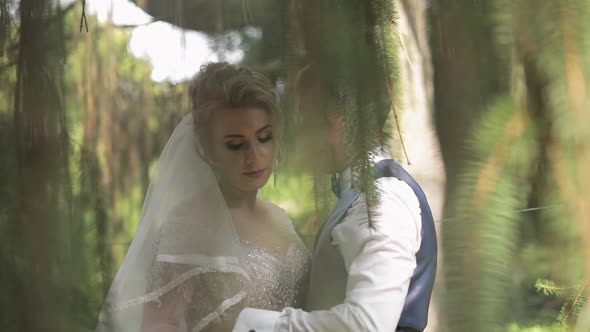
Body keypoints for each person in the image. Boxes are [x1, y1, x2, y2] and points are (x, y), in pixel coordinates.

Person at [96, 62, 310, 332]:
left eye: (264, 138)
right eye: (236, 145)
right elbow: (158, 325)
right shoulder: (189, 223)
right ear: (208, 150)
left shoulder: (279, 215)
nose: (254, 156)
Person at [232, 64, 437, 332]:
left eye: (305, 117)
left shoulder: (383, 201)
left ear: (337, 116)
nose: (301, 131)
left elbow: (366, 325)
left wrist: (246, 323)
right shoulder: (360, 193)